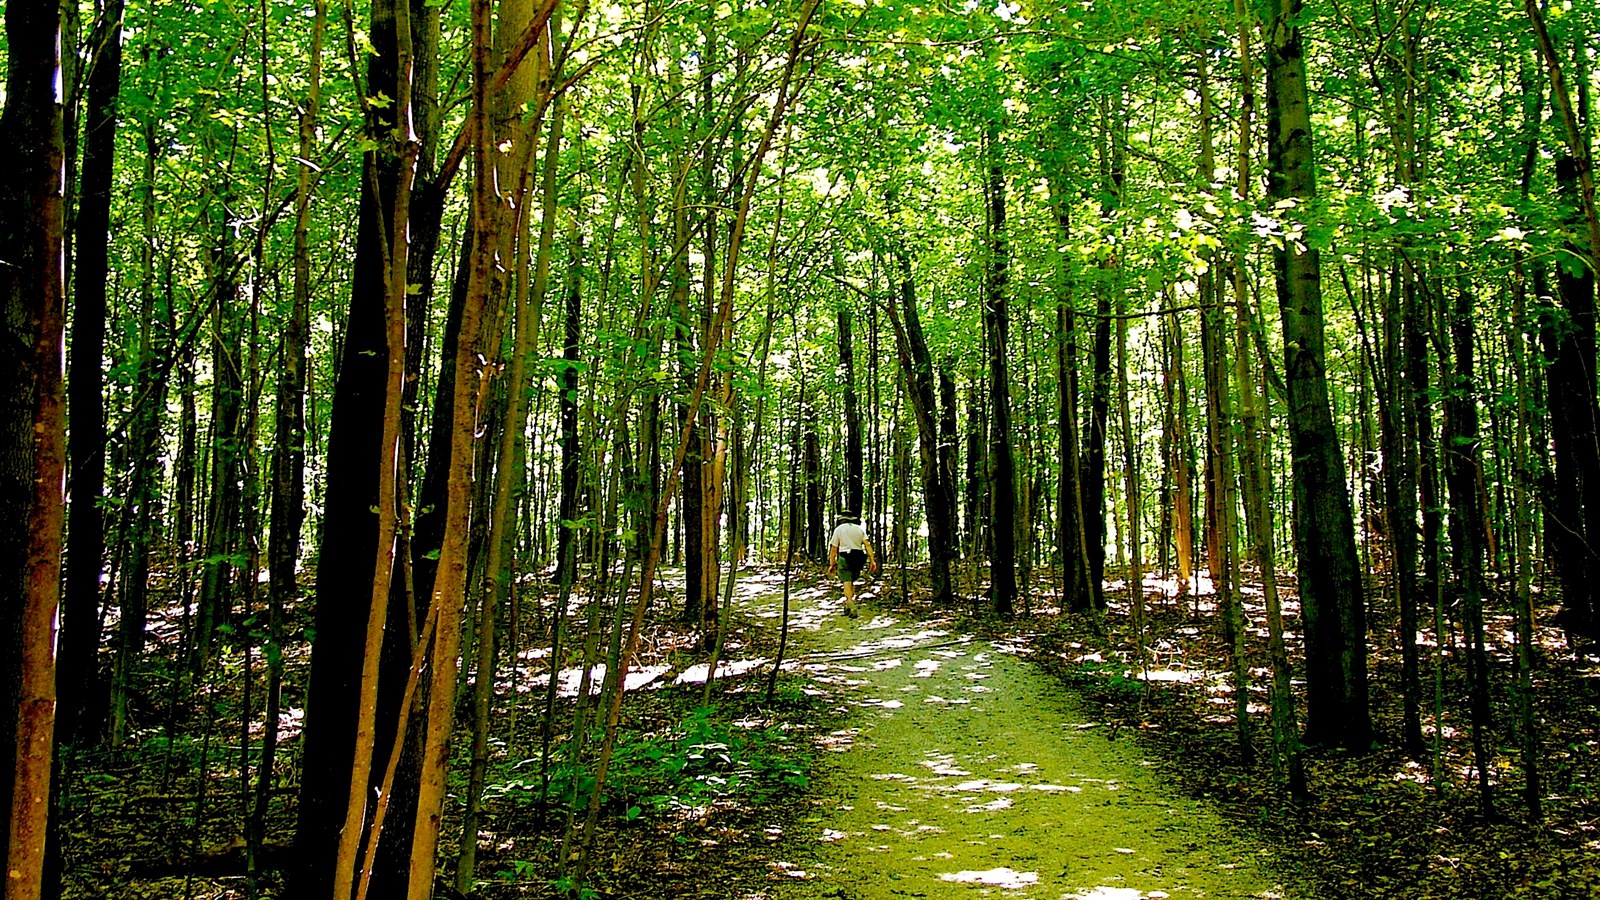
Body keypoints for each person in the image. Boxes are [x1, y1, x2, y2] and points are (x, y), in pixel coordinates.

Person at [826, 512, 877, 618]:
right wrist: (872, 560)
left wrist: (832, 563)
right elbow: (867, 544)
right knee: (851, 581)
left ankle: (850, 603)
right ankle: (848, 606)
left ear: (842, 519)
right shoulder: (859, 529)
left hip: (845, 556)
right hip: (858, 557)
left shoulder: (839, 529)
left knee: (846, 581)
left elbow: (834, 548)